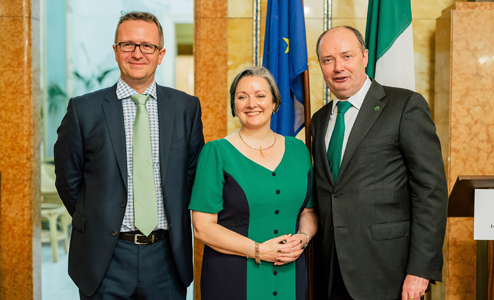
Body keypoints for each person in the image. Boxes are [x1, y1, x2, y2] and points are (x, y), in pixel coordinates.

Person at [54, 11, 204, 299]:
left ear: (160, 54)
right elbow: (68, 181)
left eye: (147, 46)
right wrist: (101, 217)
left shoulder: (186, 108)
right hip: (105, 258)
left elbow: (191, 174)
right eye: (128, 45)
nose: (138, 53)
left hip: (166, 257)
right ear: (115, 51)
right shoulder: (83, 110)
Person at [311, 26, 448, 300]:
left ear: (365, 56)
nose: (338, 67)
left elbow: (430, 192)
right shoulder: (319, 119)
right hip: (330, 270)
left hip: (389, 272)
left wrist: (420, 270)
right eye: (328, 60)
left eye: (346, 56)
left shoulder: (404, 106)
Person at [189, 66, 318, 300]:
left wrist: (303, 238)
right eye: (242, 97)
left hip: (291, 274)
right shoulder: (216, 152)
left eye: (260, 95)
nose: (251, 103)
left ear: (275, 102)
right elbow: (202, 227)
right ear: (234, 105)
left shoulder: (299, 150)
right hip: (232, 278)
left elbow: (309, 211)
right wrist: (258, 250)